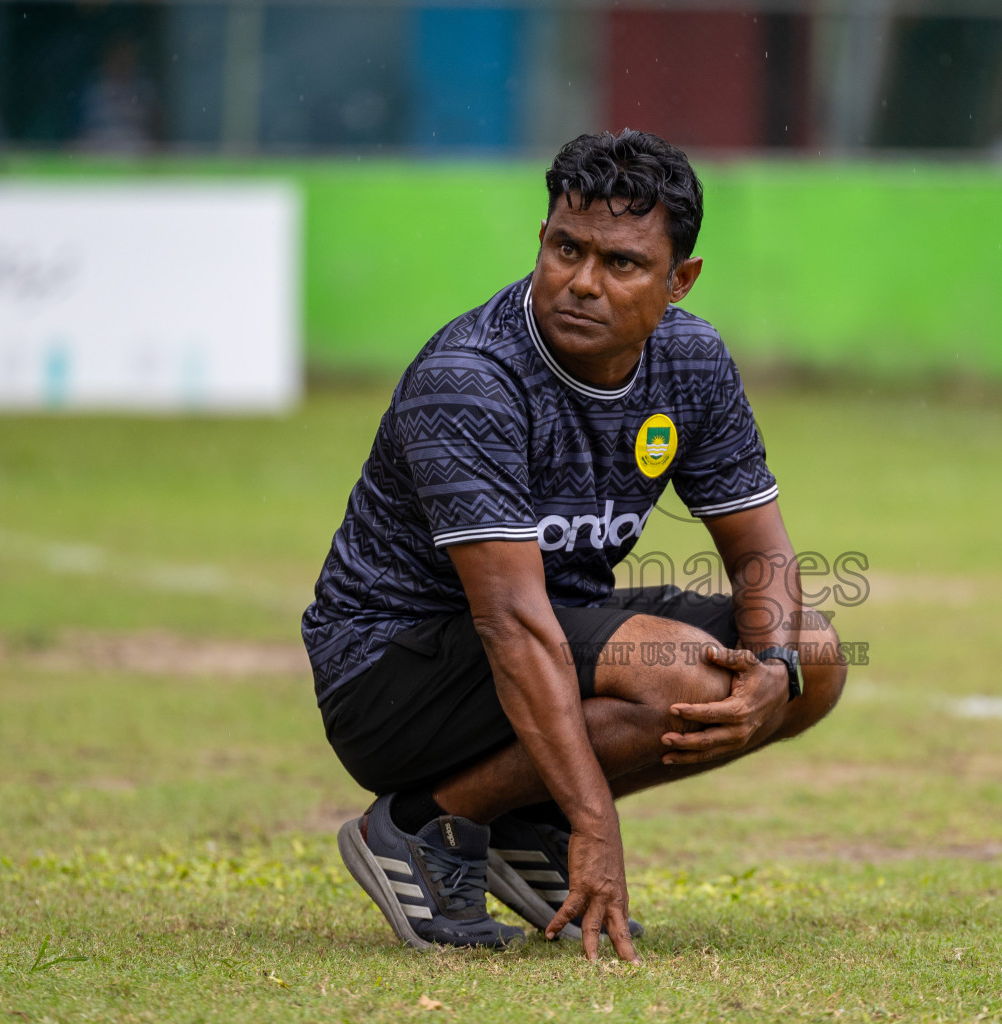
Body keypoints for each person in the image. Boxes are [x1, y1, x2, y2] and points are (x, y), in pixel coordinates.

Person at [303, 129, 847, 963]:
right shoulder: (472, 378)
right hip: (388, 670)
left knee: (812, 653)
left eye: (622, 264)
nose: (582, 283)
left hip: (547, 627)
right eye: (566, 248)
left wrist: (774, 671)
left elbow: (762, 554)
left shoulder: (690, 361)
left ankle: (520, 823)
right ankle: (421, 827)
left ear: (679, 281)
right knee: (679, 675)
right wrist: (597, 823)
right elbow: (513, 624)